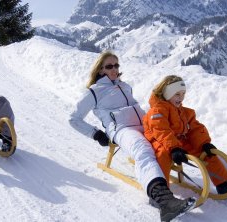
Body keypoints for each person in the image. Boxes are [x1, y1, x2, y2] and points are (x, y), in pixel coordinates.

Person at [69, 52, 195, 221]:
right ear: (100, 70)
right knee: (143, 149)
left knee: (169, 139)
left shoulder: (125, 85)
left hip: (144, 124)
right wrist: (96, 134)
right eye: (109, 66)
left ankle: (226, 175)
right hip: (122, 129)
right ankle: (164, 201)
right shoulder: (94, 92)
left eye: (116, 65)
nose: (114, 69)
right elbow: (73, 118)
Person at [143, 75, 227, 196]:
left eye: (183, 94)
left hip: (179, 142)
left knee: (209, 153)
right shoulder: (157, 110)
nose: (181, 97)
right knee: (162, 157)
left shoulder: (184, 112)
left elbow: (195, 128)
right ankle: (161, 194)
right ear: (166, 94)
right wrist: (173, 148)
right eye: (177, 94)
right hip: (160, 142)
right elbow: (161, 130)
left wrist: (204, 143)